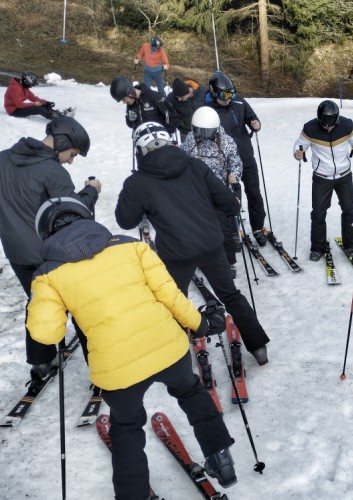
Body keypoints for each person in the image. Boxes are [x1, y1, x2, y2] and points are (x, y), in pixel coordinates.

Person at [27, 197, 237, 497]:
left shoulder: (47, 276)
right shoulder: (132, 246)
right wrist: (200, 324)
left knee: (126, 428)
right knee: (191, 392)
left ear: (45, 233)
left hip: (117, 370)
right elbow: (170, 295)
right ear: (85, 217)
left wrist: (37, 302)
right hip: (168, 348)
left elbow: (47, 334)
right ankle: (222, 459)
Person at [115, 122, 269, 365]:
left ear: (140, 151)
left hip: (176, 253)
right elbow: (229, 204)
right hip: (211, 244)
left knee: (173, 301)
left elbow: (125, 220)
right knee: (230, 295)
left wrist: (133, 194)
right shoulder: (194, 166)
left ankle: (173, 355)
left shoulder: (138, 183)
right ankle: (258, 347)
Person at [0, 117, 100, 391]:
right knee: (80, 306)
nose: (70, 161)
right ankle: (102, 369)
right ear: (63, 142)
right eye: (73, 154)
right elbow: (74, 214)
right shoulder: (52, 172)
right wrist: (91, 192)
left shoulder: (3, 159)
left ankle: (41, 363)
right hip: (53, 254)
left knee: (39, 305)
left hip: (18, 254)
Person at [292, 100, 353, 261]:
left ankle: (351, 244)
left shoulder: (346, 125)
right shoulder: (310, 128)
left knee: (349, 209)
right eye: (324, 125)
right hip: (321, 177)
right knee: (318, 213)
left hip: (344, 175)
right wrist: (298, 153)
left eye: (331, 125)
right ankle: (317, 247)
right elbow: (299, 145)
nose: (327, 127)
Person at [205, 73, 268, 246]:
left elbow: (251, 116)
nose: (228, 99)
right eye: (224, 95)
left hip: (246, 156)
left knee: (254, 193)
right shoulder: (207, 110)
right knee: (231, 198)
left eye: (231, 93)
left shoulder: (239, 102)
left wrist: (255, 123)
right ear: (214, 93)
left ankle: (257, 227)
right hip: (226, 162)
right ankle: (233, 231)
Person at [181, 107, 244, 276]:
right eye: (200, 130)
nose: (203, 134)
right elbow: (182, 158)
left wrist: (234, 175)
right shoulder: (191, 140)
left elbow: (236, 162)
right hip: (197, 190)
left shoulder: (226, 141)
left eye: (207, 131)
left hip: (219, 190)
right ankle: (200, 258)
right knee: (197, 226)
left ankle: (228, 262)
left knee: (223, 228)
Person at [109, 75, 176, 132]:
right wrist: (130, 119)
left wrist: (167, 132)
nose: (124, 102)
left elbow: (174, 116)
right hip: (142, 141)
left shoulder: (154, 97)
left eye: (124, 99)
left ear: (130, 93)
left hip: (160, 138)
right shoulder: (131, 103)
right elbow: (131, 125)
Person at [4, 71, 74, 120]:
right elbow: (19, 105)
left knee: (41, 105)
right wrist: (34, 104)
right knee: (37, 108)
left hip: (19, 107)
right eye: (31, 84)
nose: (31, 86)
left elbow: (34, 98)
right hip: (14, 110)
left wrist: (46, 103)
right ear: (27, 82)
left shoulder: (24, 87)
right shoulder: (15, 88)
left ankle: (58, 114)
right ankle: (53, 117)